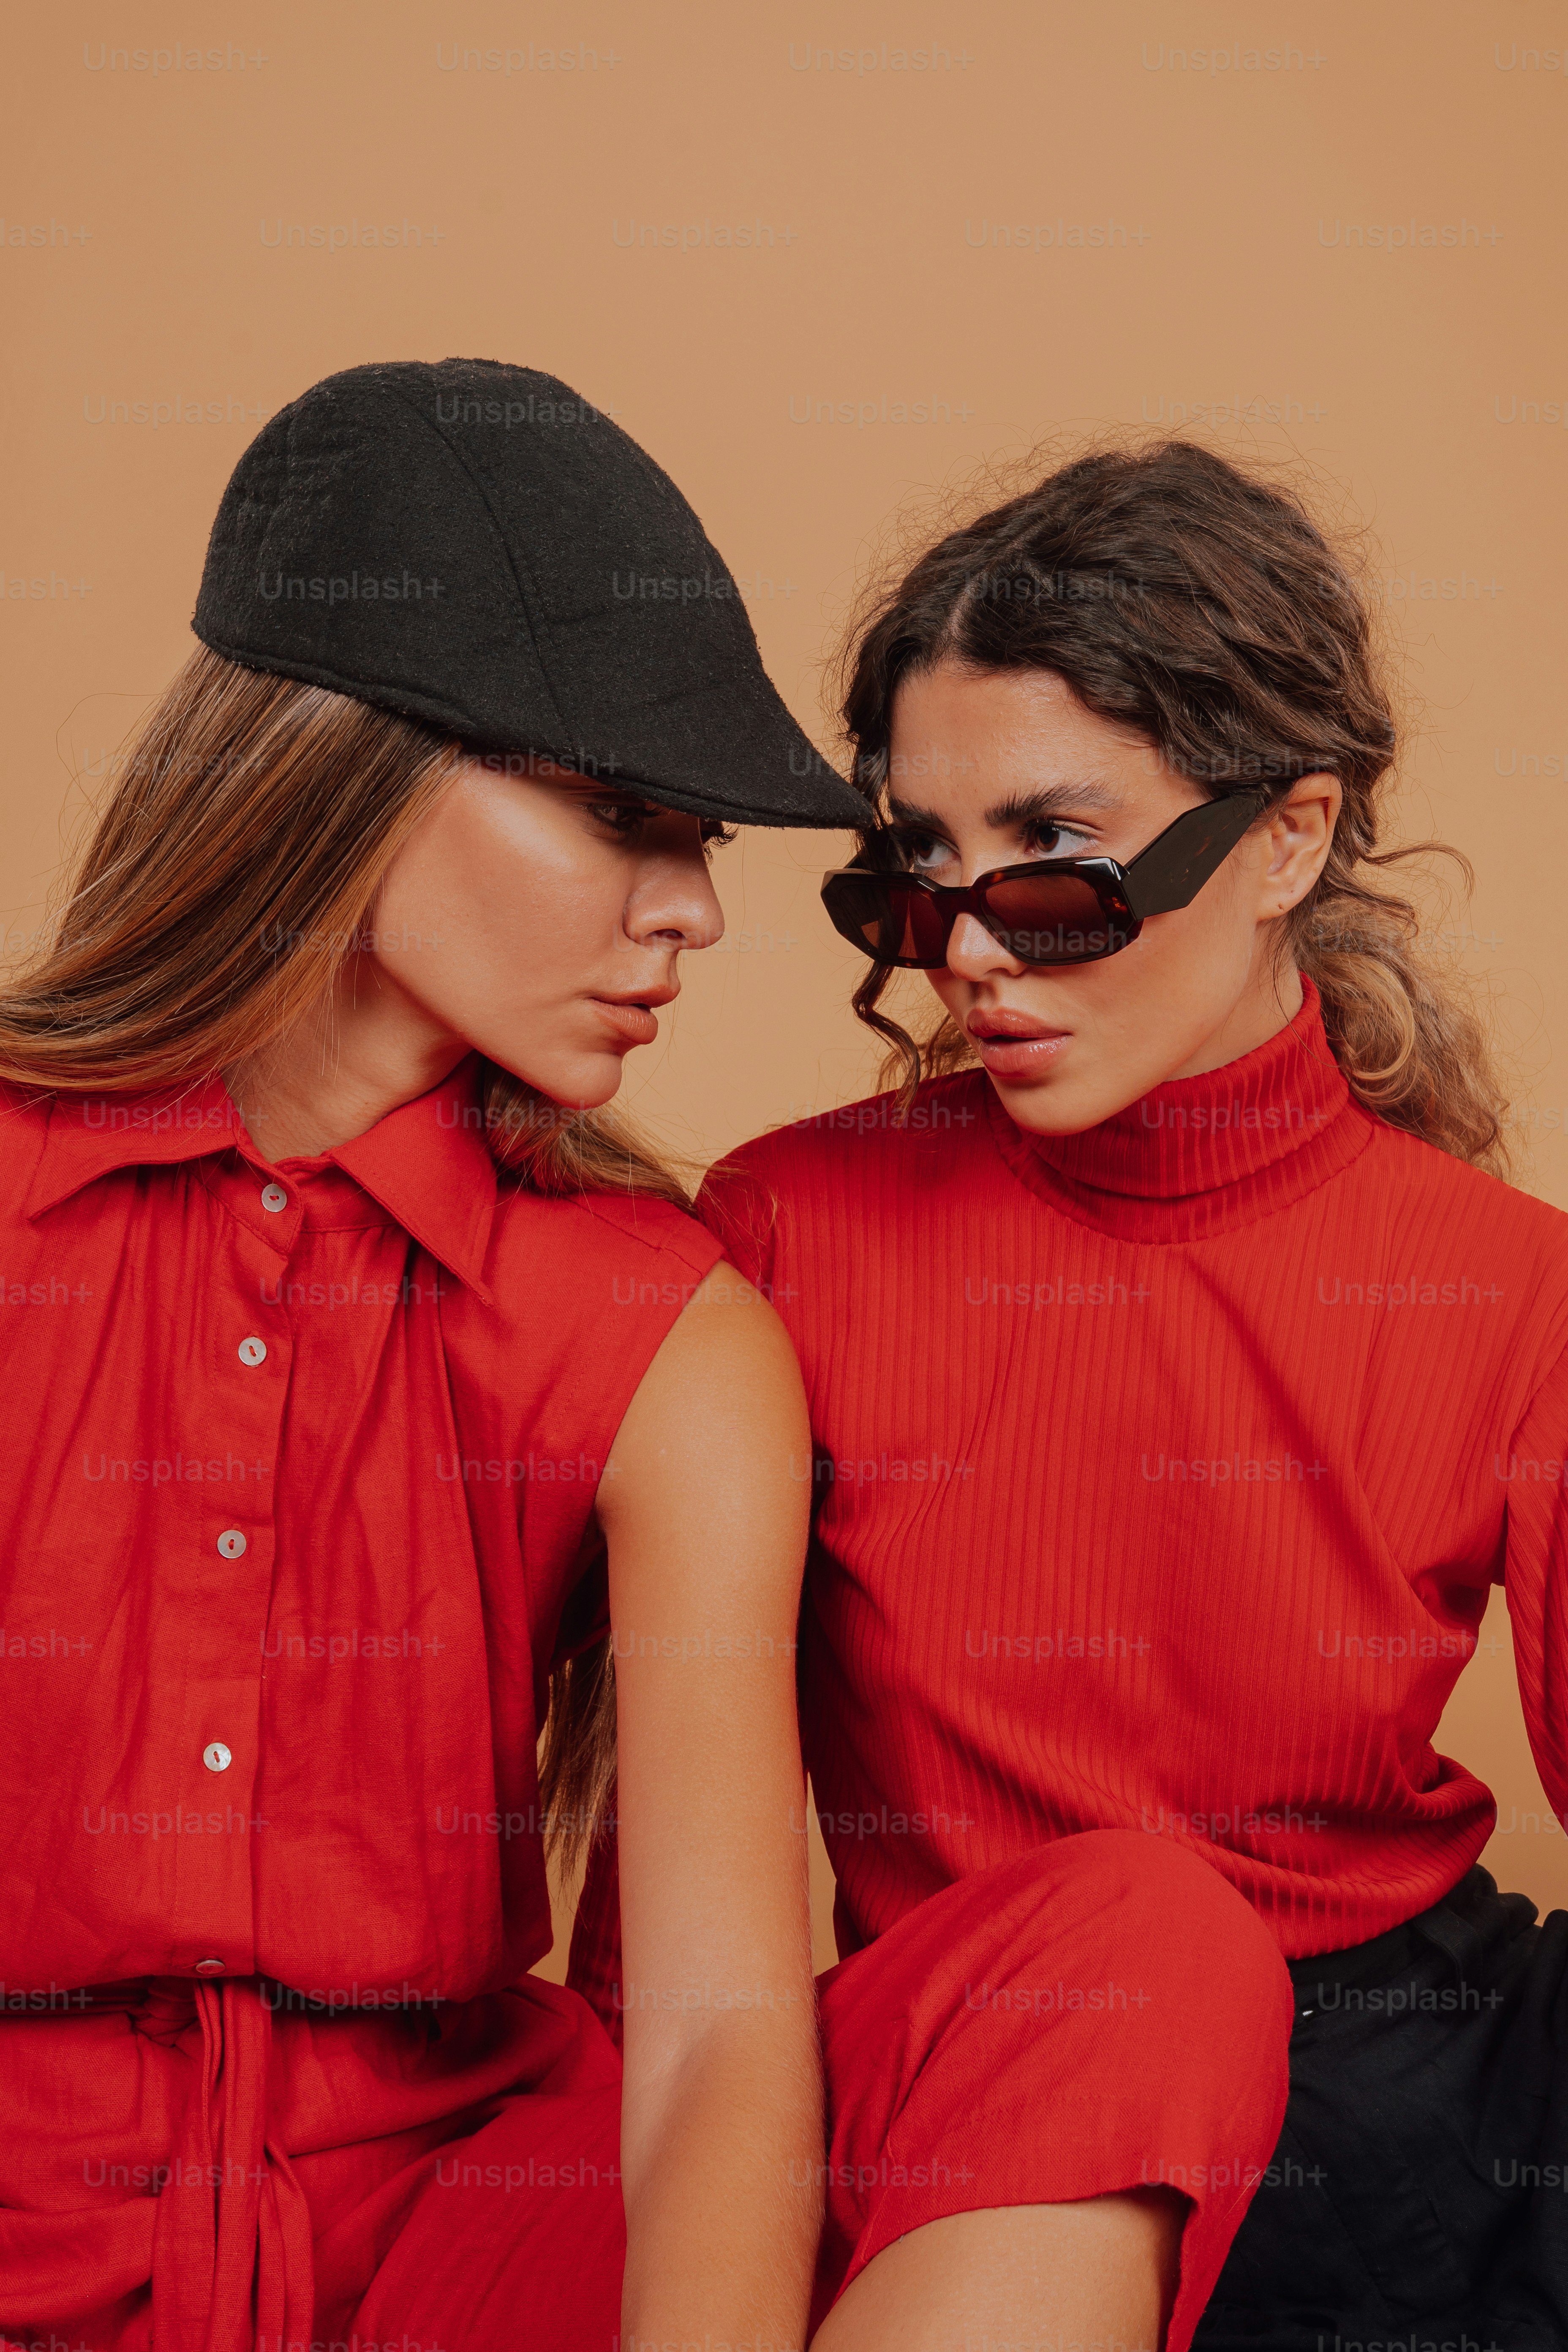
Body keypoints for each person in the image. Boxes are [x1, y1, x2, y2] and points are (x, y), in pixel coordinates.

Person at [568, 441, 1568, 2351]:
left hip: (1426, 2116)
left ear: (1287, 837)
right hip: (1003, 2113)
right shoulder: (786, 1231)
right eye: (917, 869)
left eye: (1055, 870)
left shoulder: (1516, 1288)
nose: (962, 953)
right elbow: (665, 1929)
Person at [0, 358, 873, 2352]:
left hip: (458, 2252)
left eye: (705, 837)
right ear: (355, 769)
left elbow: (723, 2033)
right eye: (624, 816)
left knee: (1102, 1974)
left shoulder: (667, 1339)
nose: (696, 914)